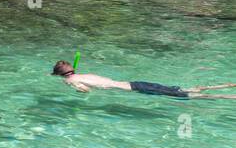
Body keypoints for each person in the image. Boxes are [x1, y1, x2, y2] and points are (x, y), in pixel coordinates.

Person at [49, 60, 236, 100]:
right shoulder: (84, 74)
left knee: (183, 95)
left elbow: (86, 91)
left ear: (59, 75)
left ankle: (225, 96)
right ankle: (225, 85)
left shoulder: (70, 81)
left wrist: (77, 93)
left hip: (135, 90)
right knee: (179, 89)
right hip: (135, 82)